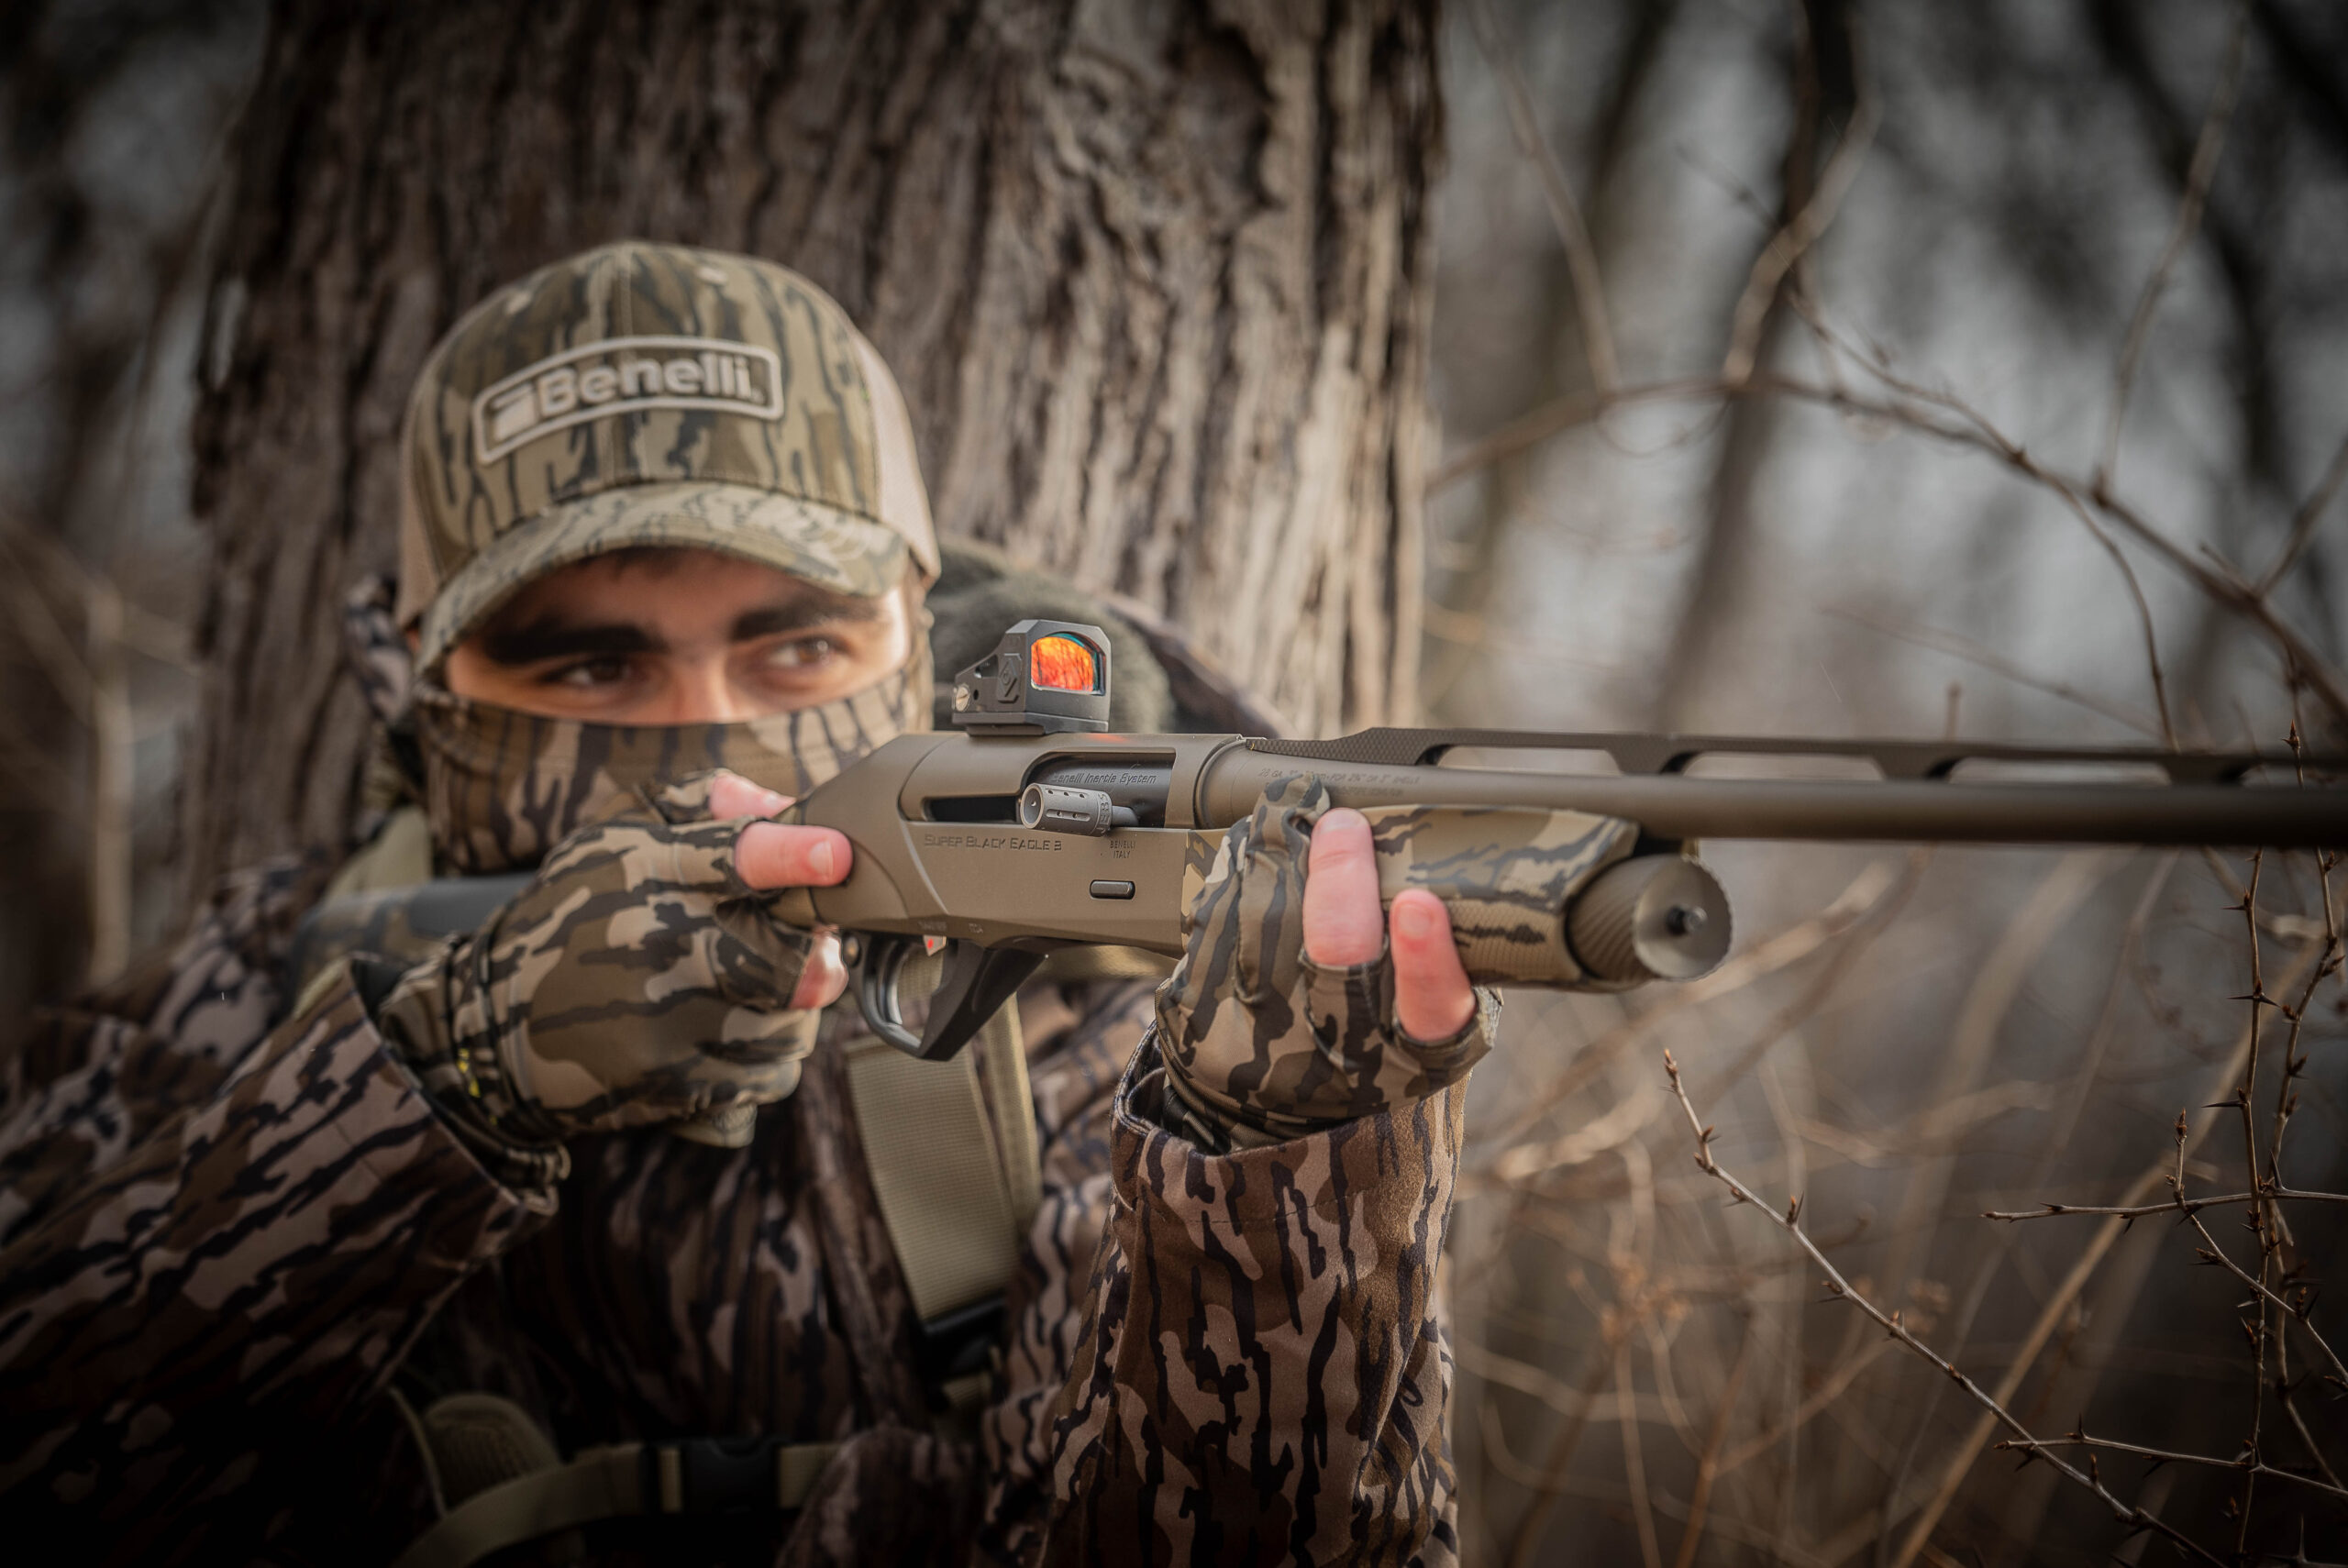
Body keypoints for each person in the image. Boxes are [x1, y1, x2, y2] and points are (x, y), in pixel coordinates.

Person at [0, 241, 1495, 1566]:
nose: (710, 740)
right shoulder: (247, 1000)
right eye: (591, 670)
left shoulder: (1101, 1024)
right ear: (421, 686)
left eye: (798, 654)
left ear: (917, 637)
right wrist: (454, 1071)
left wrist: (1275, 1189)